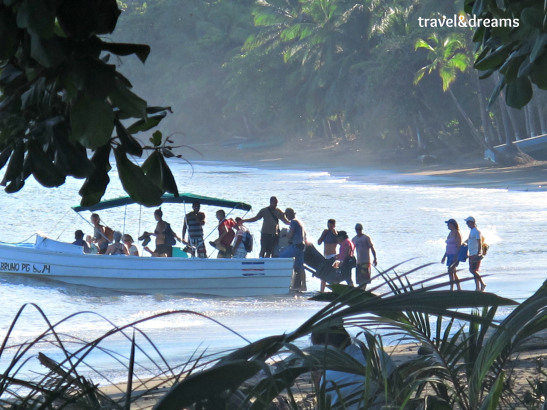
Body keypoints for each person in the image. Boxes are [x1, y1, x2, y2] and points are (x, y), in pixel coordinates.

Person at [279, 208, 307, 291]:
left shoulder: (293, 222)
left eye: (286, 215)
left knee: (281, 257)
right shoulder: (299, 221)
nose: (286, 217)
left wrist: (285, 234)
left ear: (290, 214)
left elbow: (290, 235)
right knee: (300, 266)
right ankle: (303, 286)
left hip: (296, 246)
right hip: (302, 246)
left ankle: (283, 282)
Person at [352, 223, 377, 290]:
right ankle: (361, 290)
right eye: (357, 229)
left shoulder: (366, 238)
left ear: (361, 229)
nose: (358, 231)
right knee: (359, 279)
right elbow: (352, 250)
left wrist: (375, 258)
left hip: (366, 261)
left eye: (359, 229)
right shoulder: (354, 239)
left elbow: (372, 248)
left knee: (365, 279)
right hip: (358, 262)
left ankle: (362, 290)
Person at [464, 216, 486, 291]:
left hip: (475, 254)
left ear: (472, 222)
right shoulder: (472, 231)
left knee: (473, 270)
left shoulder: (477, 231)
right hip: (471, 253)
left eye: (468, 222)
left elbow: (479, 242)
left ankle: (482, 284)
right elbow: (470, 240)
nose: (467, 224)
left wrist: (479, 253)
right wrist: (464, 243)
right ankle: (477, 287)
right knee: (473, 270)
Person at [317, 219, 338, 292]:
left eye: (331, 226)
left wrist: (335, 234)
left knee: (334, 275)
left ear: (334, 226)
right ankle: (321, 291)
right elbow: (319, 242)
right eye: (328, 225)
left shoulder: (336, 234)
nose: (329, 227)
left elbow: (341, 243)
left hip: (333, 257)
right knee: (323, 276)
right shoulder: (325, 232)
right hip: (325, 257)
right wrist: (323, 235)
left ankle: (335, 291)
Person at [441, 219, 462, 291]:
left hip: (454, 255)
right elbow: (448, 246)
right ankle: (458, 288)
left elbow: (459, 245)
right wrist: (444, 257)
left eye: (448, 224)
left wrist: (456, 257)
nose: (447, 225)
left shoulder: (457, 233)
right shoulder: (450, 233)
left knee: (450, 271)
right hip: (449, 254)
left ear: (452, 224)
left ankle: (452, 288)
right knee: (453, 272)